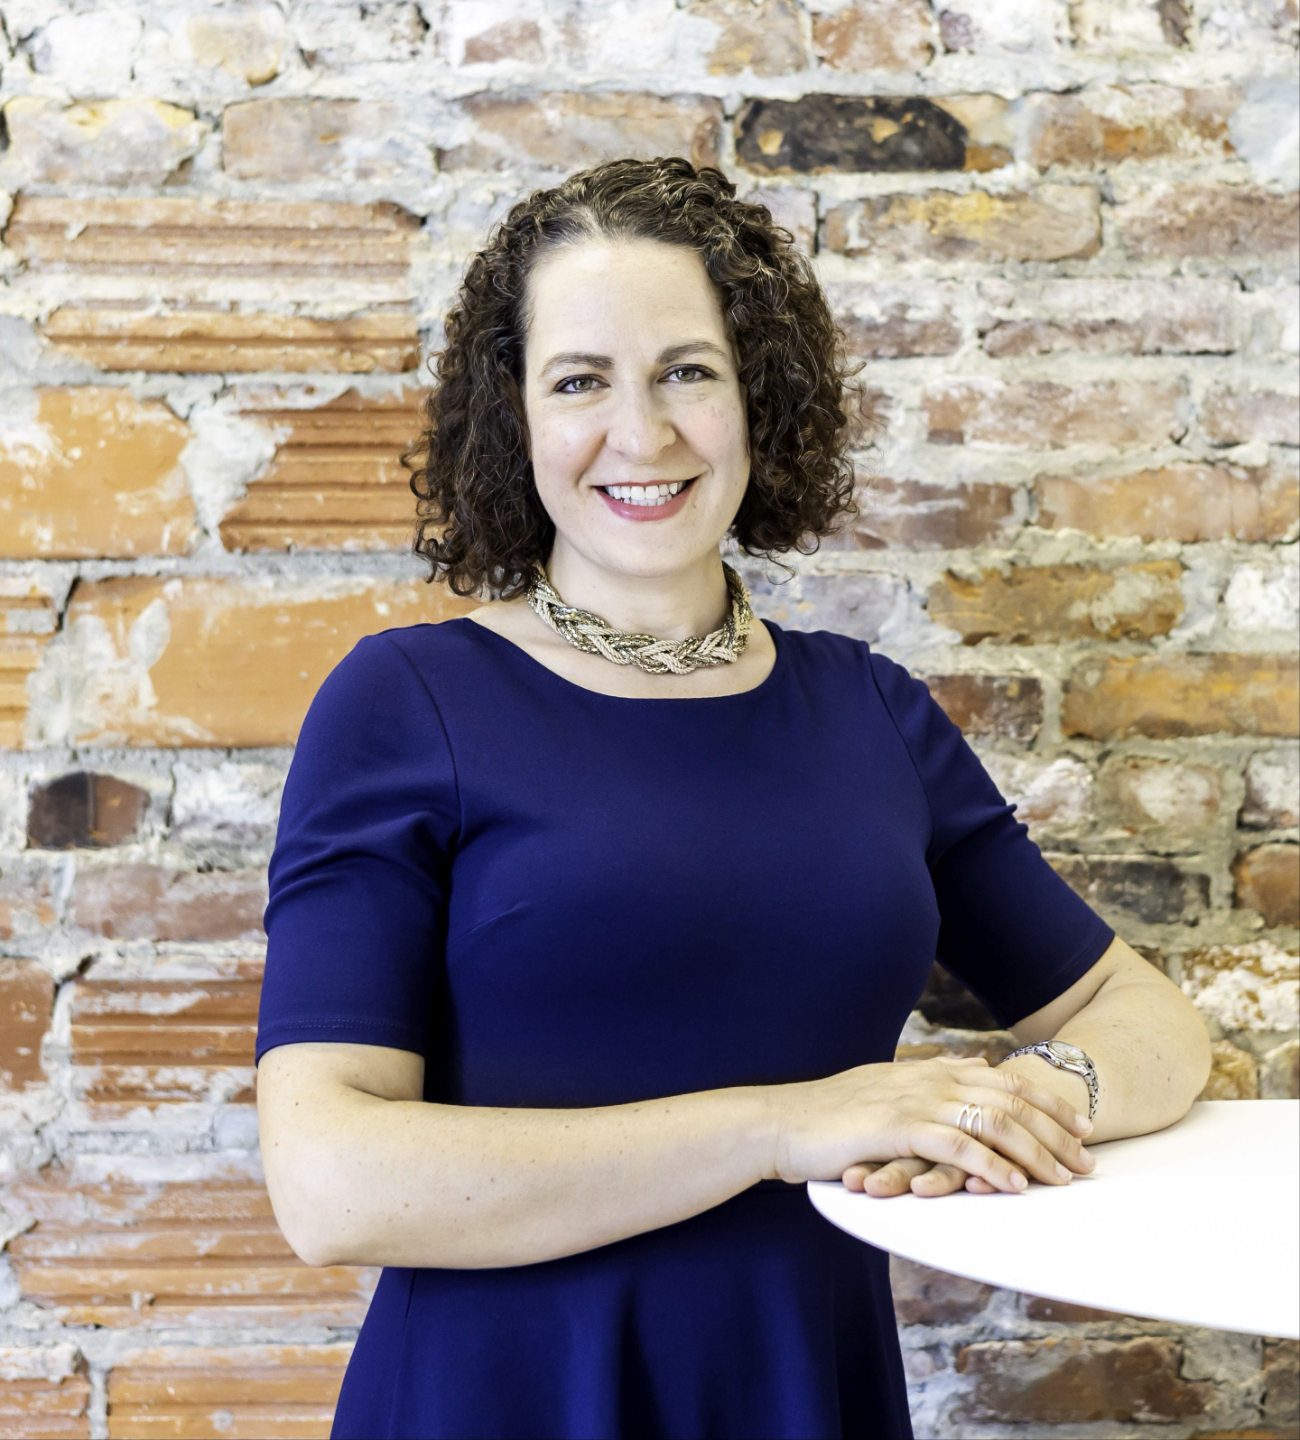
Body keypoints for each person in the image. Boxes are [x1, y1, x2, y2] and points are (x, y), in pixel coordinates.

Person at [253, 157, 1212, 1440]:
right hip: (503, 1401)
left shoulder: (867, 712)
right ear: (514, 418)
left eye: (687, 372)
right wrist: (783, 1126)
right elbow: (329, 1183)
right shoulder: (407, 701)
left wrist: (1029, 1100)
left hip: (806, 1396)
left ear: (760, 400)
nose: (641, 435)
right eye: (580, 380)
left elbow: (1142, 1016)